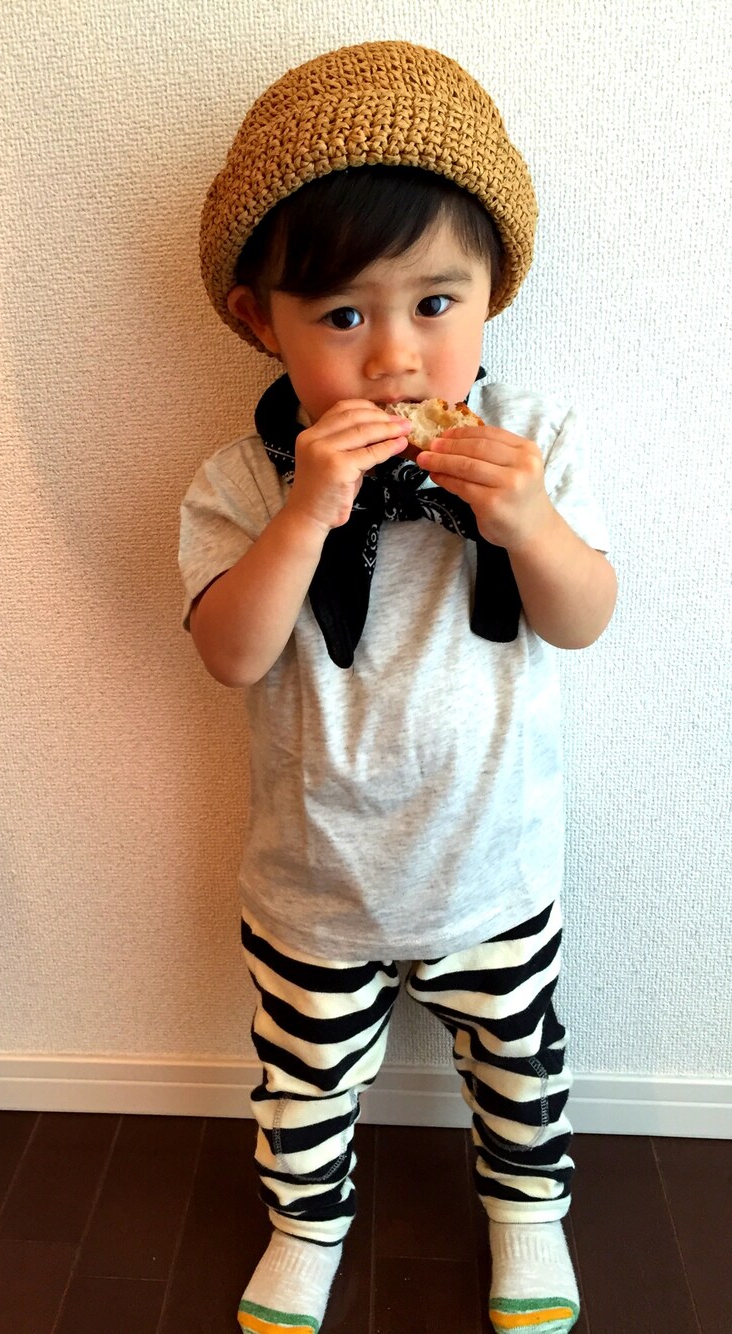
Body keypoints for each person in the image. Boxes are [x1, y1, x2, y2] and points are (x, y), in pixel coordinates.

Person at [179, 40, 616, 1334]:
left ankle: (527, 1217)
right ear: (260, 319)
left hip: (495, 862)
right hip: (314, 876)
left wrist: (530, 523)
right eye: (343, 316)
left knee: (520, 1063)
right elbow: (231, 651)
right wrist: (306, 513)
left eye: (435, 303)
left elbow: (585, 619)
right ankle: (304, 1228)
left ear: (494, 296)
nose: (394, 359)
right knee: (303, 1080)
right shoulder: (244, 479)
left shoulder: (534, 446)